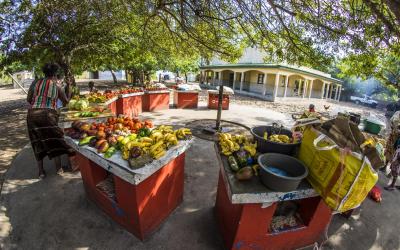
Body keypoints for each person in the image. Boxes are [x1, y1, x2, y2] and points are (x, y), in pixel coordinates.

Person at [26, 63, 75, 178]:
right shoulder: (56, 86)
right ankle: (58, 169)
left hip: (32, 114)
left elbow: (29, 99)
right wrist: (70, 86)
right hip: (48, 114)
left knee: (37, 141)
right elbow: (66, 102)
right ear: (55, 74)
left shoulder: (35, 83)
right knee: (55, 139)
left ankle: (41, 172)